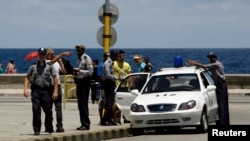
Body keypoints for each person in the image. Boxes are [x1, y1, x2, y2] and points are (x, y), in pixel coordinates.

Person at [187, 52, 230, 126]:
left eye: (212, 57)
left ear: (215, 58)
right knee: (219, 105)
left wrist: (193, 63)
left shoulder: (217, 64)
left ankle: (224, 123)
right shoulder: (213, 66)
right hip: (217, 85)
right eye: (209, 57)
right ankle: (221, 121)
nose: (210, 59)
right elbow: (204, 67)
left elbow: (204, 66)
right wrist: (197, 63)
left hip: (221, 85)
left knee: (222, 105)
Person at [23, 48, 58, 135]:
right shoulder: (33, 66)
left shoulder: (50, 65)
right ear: (38, 55)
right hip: (36, 91)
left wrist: (55, 91)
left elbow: (55, 78)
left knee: (48, 111)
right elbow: (27, 77)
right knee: (36, 110)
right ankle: (36, 129)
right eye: (40, 54)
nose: (42, 56)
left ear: (45, 55)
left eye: (43, 54)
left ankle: (49, 127)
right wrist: (25, 89)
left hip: (46, 91)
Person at [45, 48, 72, 132]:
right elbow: (51, 62)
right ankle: (48, 126)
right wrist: (63, 54)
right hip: (49, 87)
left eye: (54, 54)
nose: (53, 55)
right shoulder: (46, 62)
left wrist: (61, 63)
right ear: (47, 55)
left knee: (58, 107)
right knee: (48, 108)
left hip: (58, 86)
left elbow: (64, 72)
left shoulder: (56, 63)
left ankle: (59, 126)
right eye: (51, 54)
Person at [73, 44, 93, 130]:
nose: (78, 52)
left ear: (83, 50)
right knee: (80, 104)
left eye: (79, 50)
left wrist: (79, 70)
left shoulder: (86, 58)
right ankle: (83, 122)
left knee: (84, 104)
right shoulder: (79, 59)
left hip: (85, 82)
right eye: (77, 50)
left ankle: (86, 123)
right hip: (80, 82)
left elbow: (90, 72)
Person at [101, 50, 122, 126]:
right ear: (112, 55)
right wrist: (117, 78)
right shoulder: (107, 63)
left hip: (111, 83)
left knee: (111, 102)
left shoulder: (111, 63)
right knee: (109, 103)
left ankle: (109, 119)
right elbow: (107, 75)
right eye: (116, 56)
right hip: (108, 83)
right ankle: (105, 120)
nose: (117, 57)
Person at [113, 50, 131, 124]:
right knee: (116, 103)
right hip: (117, 85)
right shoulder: (114, 63)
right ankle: (115, 118)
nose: (122, 57)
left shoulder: (127, 64)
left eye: (123, 56)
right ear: (118, 56)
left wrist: (131, 85)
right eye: (120, 56)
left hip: (125, 86)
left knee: (125, 103)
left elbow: (130, 75)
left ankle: (125, 117)